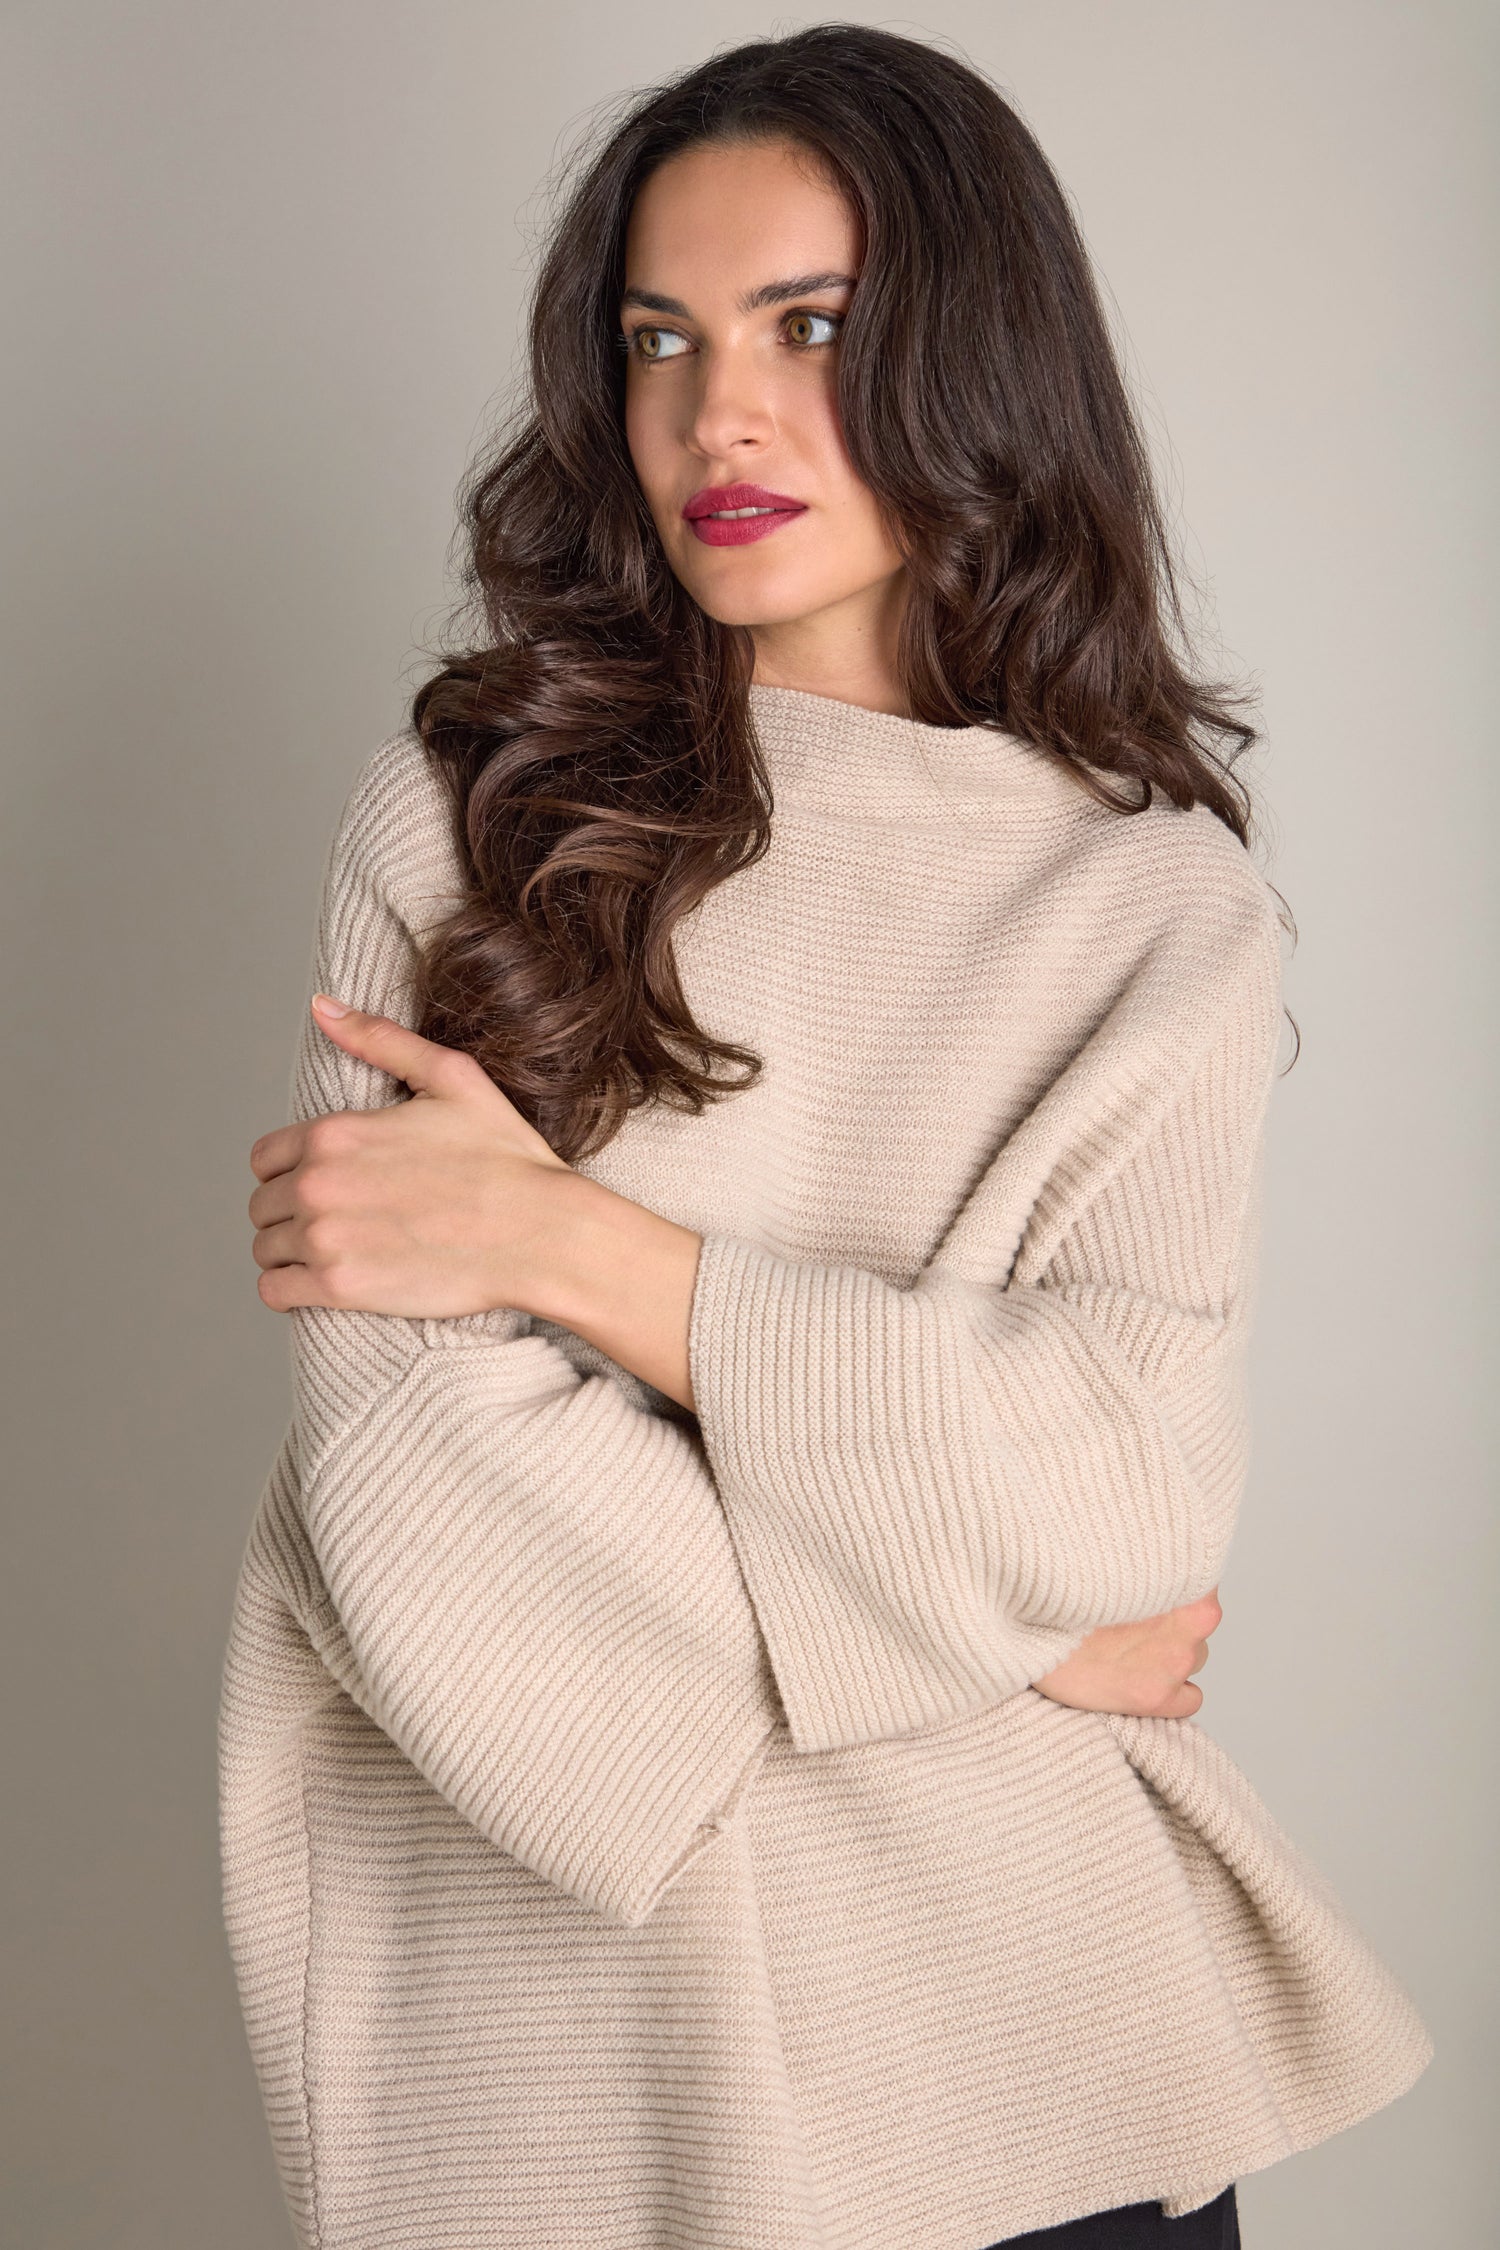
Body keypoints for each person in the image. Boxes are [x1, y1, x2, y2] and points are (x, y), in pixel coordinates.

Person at [221, 25, 1432, 2249]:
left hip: (1047, 2059)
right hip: (577, 2075)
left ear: (979, 361)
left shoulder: (1155, 912)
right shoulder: (470, 828)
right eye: (660, 338)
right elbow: (422, 1524)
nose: (717, 417)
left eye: (814, 329)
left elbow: (1126, 1482)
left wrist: (589, 1259)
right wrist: (1012, 1641)